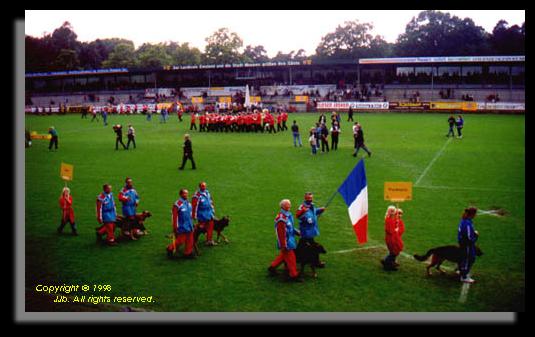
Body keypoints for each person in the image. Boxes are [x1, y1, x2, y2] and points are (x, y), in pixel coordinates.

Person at [268, 199, 302, 282]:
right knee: (291, 258)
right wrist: (284, 245)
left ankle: (272, 267)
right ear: (282, 206)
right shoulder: (281, 219)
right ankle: (294, 275)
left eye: (289, 204)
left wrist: (297, 232)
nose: (289, 206)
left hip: (290, 240)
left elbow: (290, 227)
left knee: (283, 256)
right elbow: (281, 234)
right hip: (286, 242)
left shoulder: (287, 215)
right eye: (287, 205)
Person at [296, 192, 326, 267]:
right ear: (305, 198)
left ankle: (297, 258)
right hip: (306, 232)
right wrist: (303, 212)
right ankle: (316, 262)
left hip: (310, 231)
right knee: (314, 247)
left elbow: (314, 212)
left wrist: (320, 210)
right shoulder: (302, 207)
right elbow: (298, 215)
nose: (310, 199)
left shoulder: (311, 205)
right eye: (308, 198)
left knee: (301, 246)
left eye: (311, 198)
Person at [166, 188, 195, 259]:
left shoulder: (188, 203)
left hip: (189, 225)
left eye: (187, 193)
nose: (186, 195)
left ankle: (188, 253)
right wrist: (175, 227)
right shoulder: (177, 204)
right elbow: (174, 217)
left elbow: (190, 214)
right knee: (180, 241)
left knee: (190, 240)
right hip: (182, 226)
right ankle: (170, 248)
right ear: (180, 194)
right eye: (184, 193)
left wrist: (192, 223)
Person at [457, 207, 479, 283]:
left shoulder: (464, 220)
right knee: (469, 258)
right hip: (466, 244)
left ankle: (460, 271)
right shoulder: (467, 224)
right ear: (472, 214)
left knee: (465, 258)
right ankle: (464, 276)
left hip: (463, 243)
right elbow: (469, 238)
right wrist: (476, 236)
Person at [192, 182, 217, 246]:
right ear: (200, 187)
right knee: (200, 228)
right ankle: (193, 240)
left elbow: (210, 202)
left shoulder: (207, 192)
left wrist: (213, 210)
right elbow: (194, 206)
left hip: (209, 213)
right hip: (202, 215)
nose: (204, 187)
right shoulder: (197, 195)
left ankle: (209, 240)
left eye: (205, 186)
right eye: (203, 186)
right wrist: (194, 216)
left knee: (211, 226)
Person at [382, 206, 402, 271]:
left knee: (395, 251)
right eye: (392, 211)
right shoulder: (388, 220)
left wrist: (397, 223)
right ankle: (387, 263)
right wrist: (395, 230)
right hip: (391, 238)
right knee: (394, 252)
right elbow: (389, 230)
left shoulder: (391, 218)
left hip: (393, 237)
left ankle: (390, 263)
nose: (394, 213)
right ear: (390, 212)